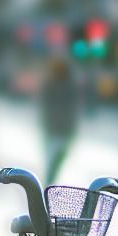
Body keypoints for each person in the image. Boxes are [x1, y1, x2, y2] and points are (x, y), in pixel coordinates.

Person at [40, 56, 78, 185]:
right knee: (54, 159)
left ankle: (50, 181)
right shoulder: (52, 85)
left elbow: (73, 110)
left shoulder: (69, 87)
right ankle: (49, 182)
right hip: (57, 129)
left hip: (60, 129)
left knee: (56, 159)